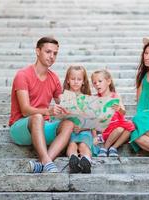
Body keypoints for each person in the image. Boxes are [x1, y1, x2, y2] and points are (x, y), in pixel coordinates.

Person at [9, 36, 72, 173]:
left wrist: (77, 108)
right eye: (48, 52)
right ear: (38, 51)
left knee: (68, 124)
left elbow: (63, 103)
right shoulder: (23, 75)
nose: (52, 56)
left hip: (43, 127)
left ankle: (42, 163)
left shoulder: (54, 77)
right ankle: (46, 161)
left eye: (55, 53)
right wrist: (48, 111)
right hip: (21, 127)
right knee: (37, 117)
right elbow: (25, 111)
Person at [61, 65, 98, 174]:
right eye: (73, 79)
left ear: (83, 81)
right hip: (70, 132)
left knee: (83, 144)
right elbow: (62, 118)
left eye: (79, 79)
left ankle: (86, 159)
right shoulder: (65, 98)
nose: (76, 82)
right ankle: (73, 158)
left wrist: (95, 136)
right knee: (71, 144)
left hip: (85, 130)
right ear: (68, 80)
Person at [91, 69, 135, 157]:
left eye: (100, 81)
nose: (97, 84)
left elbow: (123, 112)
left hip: (119, 124)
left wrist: (119, 109)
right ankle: (105, 148)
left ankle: (113, 147)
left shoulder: (116, 96)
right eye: (94, 83)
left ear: (108, 81)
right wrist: (94, 136)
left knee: (130, 126)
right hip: (107, 128)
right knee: (120, 129)